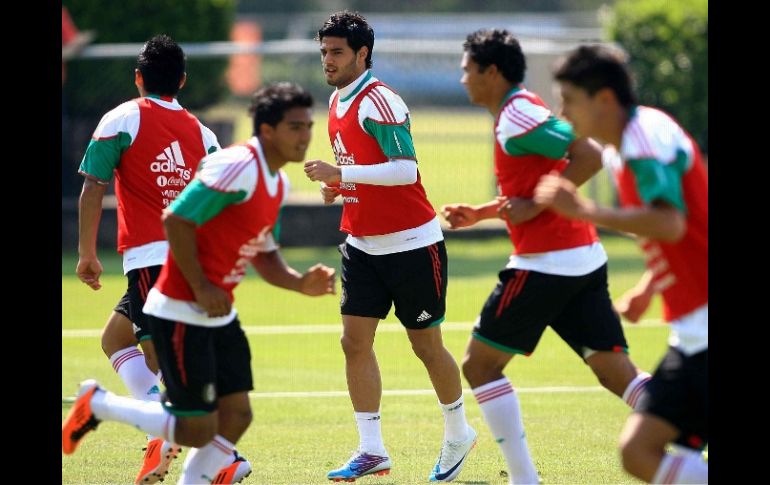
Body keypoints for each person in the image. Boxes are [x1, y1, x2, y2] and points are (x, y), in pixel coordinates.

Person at [65, 81, 335, 484]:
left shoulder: (277, 183)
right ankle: (98, 403)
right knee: (196, 426)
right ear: (267, 131)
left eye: (308, 126)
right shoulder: (236, 166)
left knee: (238, 415)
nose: (306, 136)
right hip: (179, 308)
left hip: (217, 311)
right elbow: (176, 220)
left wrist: (300, 284)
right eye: (295, 127)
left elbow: (265, 252)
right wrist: (202, 286)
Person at [441, 29, 652, 484]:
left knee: (479, 366)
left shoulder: (517, 114)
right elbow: (542, 179)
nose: (462, 80)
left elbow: (589, 154)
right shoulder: (519, 109)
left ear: (491, 72)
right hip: (581, 259)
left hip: (546, 265)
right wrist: (481, 212)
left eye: (467, 70)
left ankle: (524, 480)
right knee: (619, 375)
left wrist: (536, 206)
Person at [74, 34, 256, 484]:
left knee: (168, 365)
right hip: (193, 261)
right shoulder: (204, 133)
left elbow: (93, 185)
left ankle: (215, 455)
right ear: (183, 81)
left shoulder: (120, 118)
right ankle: (201, 446)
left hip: (152, 259)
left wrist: (86, 253)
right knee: (117, 339)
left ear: (138, 78)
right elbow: (224, 200)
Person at [303, 11, 476, 483]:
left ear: (362, 54)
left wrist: (343, 175)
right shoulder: (339, 100)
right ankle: (372, 449)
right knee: (353, 342)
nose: (328, 61)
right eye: (323, 52)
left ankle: (459, 431)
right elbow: (362, 167)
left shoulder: (380, 101)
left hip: (412, 245)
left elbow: (404, 169)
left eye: (336, 52)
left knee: (426, 346)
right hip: (361, 244)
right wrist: (340, 188)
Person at [534, 44, 708, 484]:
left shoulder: (642, 141)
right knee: (637, 451)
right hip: (691, 333)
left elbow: (669, 223)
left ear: (604, 100)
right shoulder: (625, 145)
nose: (562, 112)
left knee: (641, 450)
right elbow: (687, 230)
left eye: (569, 100)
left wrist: (586, 211)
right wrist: (650, 287)